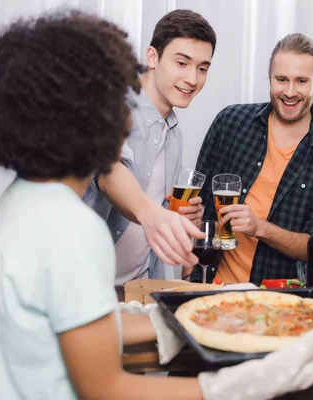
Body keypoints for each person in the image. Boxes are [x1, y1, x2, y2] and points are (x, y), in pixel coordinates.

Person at [0, 11, 313, 400]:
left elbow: (69, 325)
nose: (130, 113)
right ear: (87, 117)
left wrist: (178, 315)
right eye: (118, 98)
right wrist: (235, 388)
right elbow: (104, 388)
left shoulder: (20, 201)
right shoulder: (74, 230)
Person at [193, 33, 313, 284]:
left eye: (301, 81)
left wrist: (260, 228)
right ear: (269, 77)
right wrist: (188, 268)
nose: (289, 92)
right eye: (281, 79)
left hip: (276, 302)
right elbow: (197, 203)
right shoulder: (230, 123)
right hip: (209, 285)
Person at [82, 9, 216, 285]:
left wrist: (177, 217)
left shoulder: (174, 134)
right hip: (90, 284)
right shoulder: (115, 109)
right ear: (152, 57)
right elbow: (108, 172)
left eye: (202, 68)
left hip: (139, 287)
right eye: (182, 63)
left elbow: (156, 212)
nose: (193, 78)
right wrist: (153, 214)